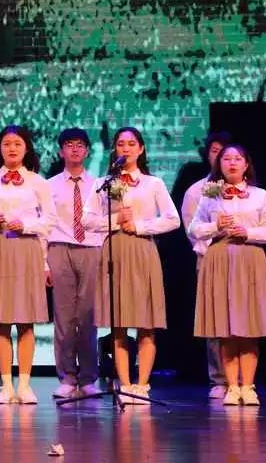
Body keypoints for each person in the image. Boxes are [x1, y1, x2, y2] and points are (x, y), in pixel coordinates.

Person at [84, 127, 179, 404]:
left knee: (146, 323)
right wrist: (116, 221)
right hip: (115, 250)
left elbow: (172, 219)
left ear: (141, 149)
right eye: (121, 144)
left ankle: (142, 385)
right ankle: (125, 385)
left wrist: (140, 226)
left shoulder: (153, 183)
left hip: (142, 249)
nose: (126, 148)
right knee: (120, 323)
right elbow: (87, 220)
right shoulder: (103, 183)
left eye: (131, 143)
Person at [0, 125, 54, 405]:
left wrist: (26, 225)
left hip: (27, 249)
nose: (12, 148)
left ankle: (25, 385)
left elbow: (50, 220)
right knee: (1, 320)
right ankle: (6, 385)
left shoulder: (38, 182)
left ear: (26, 148)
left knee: (25, 320)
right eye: (6, 144)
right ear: (0, 149)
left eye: (17, 143)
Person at [190, 144, 266, 406]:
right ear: (219, 164)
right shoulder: (210, 195)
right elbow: (195, 229)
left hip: (250, 259)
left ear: (246, 164)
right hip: (220, 259)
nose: (231, 163)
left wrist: (248, 232)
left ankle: (248, 386)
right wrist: (215, 226)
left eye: (237, 158)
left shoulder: (259, 195)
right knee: (226, 327)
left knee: (249, 327)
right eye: (226, 159)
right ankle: (231, 386)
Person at [47, 127, 103, 399]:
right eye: (69, 145)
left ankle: (89, 377)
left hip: (91, 249)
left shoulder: (99, 184)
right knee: (64, 317)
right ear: (61, 152)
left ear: (87, 151)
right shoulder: (49, 185)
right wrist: (44, 263)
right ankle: (67, 376)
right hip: (60, 248)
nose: (75, 149)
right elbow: (45, 224)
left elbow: (105, 220)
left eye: (80, 145)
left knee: (89, 316)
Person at [181, 131, 233, 399]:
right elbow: (193, 231)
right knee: (214, 320)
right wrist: (215, 233)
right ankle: (219, 378)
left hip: (241, 258)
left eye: (227, 152)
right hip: (209, 258)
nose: (222, 157)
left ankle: (241, 378)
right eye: (215, 151)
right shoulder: (196, 191)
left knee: (241, 318)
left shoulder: (250, 192)